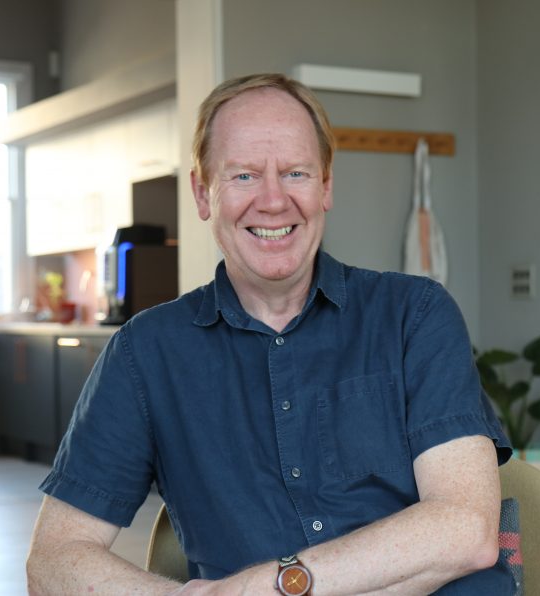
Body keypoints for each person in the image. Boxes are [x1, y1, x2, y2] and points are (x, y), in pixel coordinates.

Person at [27, 73, 515, 595]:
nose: (274, 201)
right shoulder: (145, 354)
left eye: (296, 173)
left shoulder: (415, 315)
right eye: (243, 176)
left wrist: (280, 584)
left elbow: (468, 529)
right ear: (202, 192)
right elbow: (53, 561)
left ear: (326, 186)